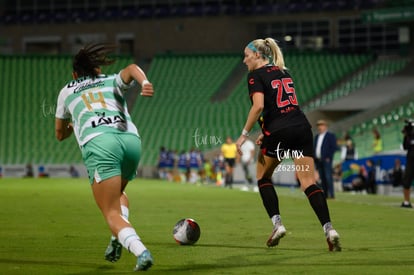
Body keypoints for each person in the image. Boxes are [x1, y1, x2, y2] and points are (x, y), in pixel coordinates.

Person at [55, 43, 154, 271]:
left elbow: (60, 134)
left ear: (74, 74)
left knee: (109, 210)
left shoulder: (67, 90)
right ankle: (116, 237)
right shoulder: (110, 79)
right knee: (119, 194)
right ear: (98, 70)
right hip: (130, 140)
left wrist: (73, 125)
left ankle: (141, 251)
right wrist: (145, 83)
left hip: (101, 143)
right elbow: (131, 68)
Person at [235, 37, 341, 251]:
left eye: (246, 56)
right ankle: (329, 230)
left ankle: (277, 225)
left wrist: (244, 133)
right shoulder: (284, 72)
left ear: (257, 55)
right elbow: (284, 106)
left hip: (280, 131)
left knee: (262, 177)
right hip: (301, 128)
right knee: (309, 183)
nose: (244, 61)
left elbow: (258, 107)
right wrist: (267, 131)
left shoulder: (255, 76)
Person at [314, 120, 338, 199]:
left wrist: (329, 157)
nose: (319, 127)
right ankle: (325, 194)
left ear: (325, 126)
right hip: (318, 160)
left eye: (321, 125)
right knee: (322, 178)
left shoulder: (330, 135)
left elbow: (334, 147)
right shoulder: (317, 136)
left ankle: (331, 194)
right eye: (318, 125)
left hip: (326, 160)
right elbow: (315, 148)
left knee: (328, 177)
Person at [401, 120, 414, 208]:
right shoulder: (409, 136)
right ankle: (406, 201)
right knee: (406, 180)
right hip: (410, 160)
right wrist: (406, 135)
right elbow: (405, 147)